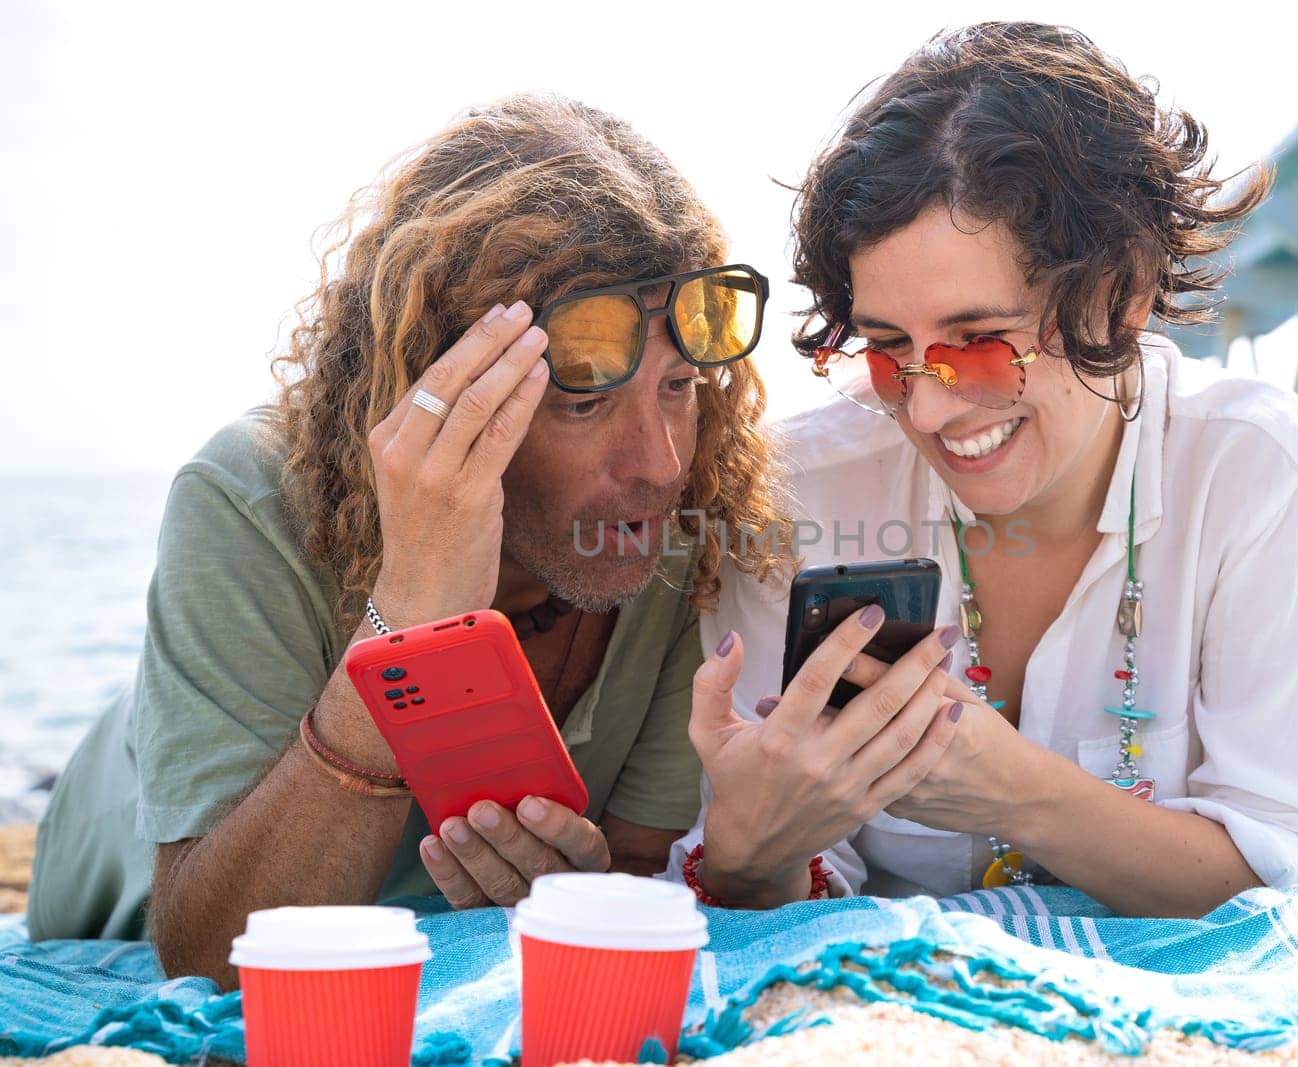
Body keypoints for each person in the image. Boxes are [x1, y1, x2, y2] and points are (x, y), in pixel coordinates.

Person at [27, 93, 791, 986]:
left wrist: (574, 892)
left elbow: (629, 865)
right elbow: (212, 957)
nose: (658, 464)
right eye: (583, 401)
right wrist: (415, 607)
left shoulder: (670, 525)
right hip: (125, 886)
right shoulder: (250, 495)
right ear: (442, 390)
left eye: (680, 385)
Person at [679, 22, 1298, 913]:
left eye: (977, 343)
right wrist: (749, 851)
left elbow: (1288, 871)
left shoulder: (1255, 473)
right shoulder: (798, 487)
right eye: (891, 349)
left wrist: (1014, 791)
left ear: (1117, 298)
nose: (927, 408)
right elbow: (783, 889)